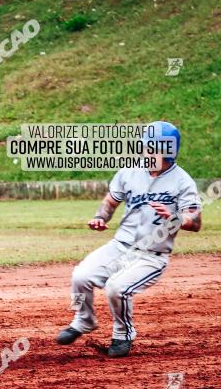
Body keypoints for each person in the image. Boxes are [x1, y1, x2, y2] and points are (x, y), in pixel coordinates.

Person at [56, 121, 202, 357]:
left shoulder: (182, 182)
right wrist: (100, 218)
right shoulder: (130, 171)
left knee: (116, 288)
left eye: (150, 147)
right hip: (119, 246)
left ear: (166, 150)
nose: (145, 151)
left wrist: (175, 217)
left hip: (152, 255)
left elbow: (195, 222)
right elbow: (110, 202)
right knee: (80, 276)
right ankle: (84, 320)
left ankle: (123, 334)